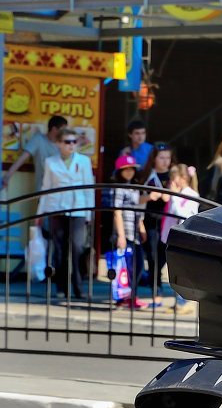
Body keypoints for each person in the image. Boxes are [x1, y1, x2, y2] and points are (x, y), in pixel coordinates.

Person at [38, 127, 96, 302]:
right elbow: (46, 188)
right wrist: (40, 214)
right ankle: (61, 287)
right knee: (60, 249)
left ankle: (78, 287)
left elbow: (89, 189)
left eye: (74, 142)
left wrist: (88, 214)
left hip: (78, 208)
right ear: (58, 143)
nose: (71, 145)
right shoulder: (50, 161)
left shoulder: (84, 161)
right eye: (67, 142)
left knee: (77, 248)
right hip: (57, 207)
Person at [137, 142, 176, 303]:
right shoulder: (146, 176)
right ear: (154, 159)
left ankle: (153, 276)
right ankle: (156, 288)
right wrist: (149, 197)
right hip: (151, 219)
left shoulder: (174, 175)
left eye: (168, 157)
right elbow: (135, 198)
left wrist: (173, 195)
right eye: (162, 158)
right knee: (152, 255)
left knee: (165, 254)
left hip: (169, 220)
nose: (165, 161)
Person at [160, 163, 201, 314]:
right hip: (174, 237)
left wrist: (175, 196)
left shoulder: (191, 195)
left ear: (183, 178)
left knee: (184, 270)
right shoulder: (177, 194)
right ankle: (178, 301)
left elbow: (180, 213)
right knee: (175, 269)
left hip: (185, 238)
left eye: (174, 178)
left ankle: (187, 302)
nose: (171, 182)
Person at [110, 153, 146, 309]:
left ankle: (130, 296)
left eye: (132, 169)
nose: (130, 172)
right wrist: (121, 235)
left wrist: (142, 228)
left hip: (135, 232)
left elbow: (137, 210)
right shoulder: (119, 188)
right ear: (119, 171)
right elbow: (117, 212)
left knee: (137, 267)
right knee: (125, 268)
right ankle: (126, 297)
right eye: (126, 169)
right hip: (125, 233)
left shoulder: (134, 187)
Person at [2, 115, 67, 196]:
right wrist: (7, 177)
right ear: (54, 129)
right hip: (43, 190)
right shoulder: (38, 139)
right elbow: (22, 158)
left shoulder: (65, 144)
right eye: (63, 130)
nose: (64, 133)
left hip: (62, 192)